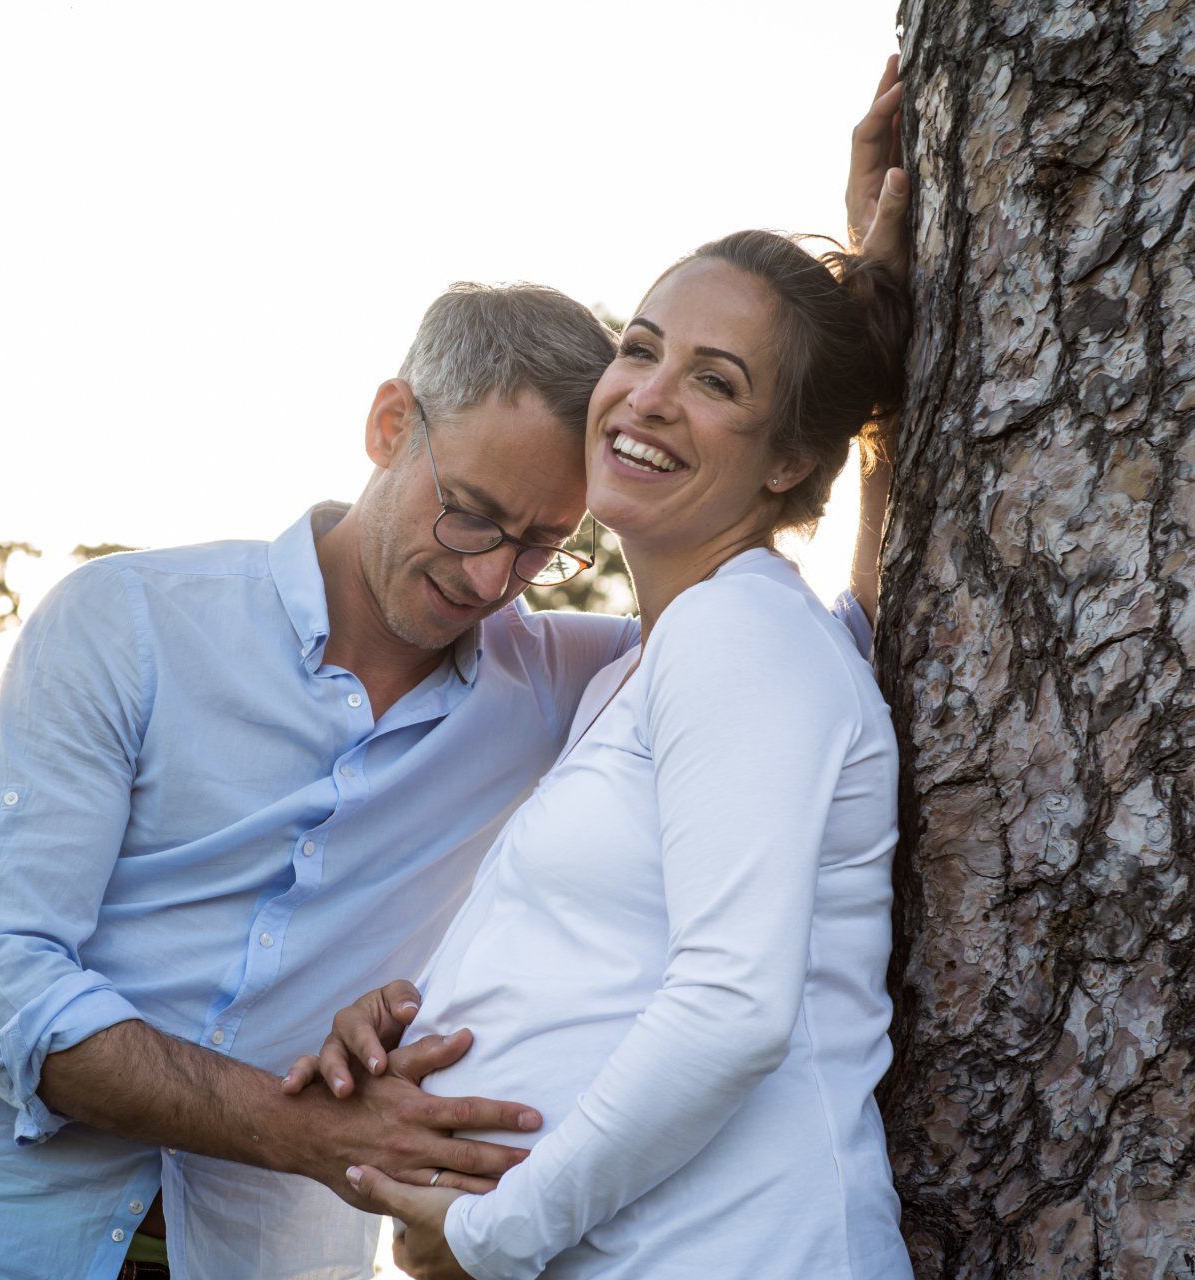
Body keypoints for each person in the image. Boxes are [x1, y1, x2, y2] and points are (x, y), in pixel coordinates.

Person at [0, 62, 912, 1280]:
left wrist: (866, 340)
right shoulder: (126, 621)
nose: (491, 578)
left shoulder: (580, 677)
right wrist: (306, 1122)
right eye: (472, 512)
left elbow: (824, 645)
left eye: (543, 545)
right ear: (389, 424)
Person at [297, 227, 913, 1279]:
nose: (650, 395)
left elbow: (732, 1010)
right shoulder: (654, 660)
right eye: (640, 348)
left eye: (714, 380)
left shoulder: (742, 636)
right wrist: (428, 997)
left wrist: (494, 1229)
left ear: (790, 460)